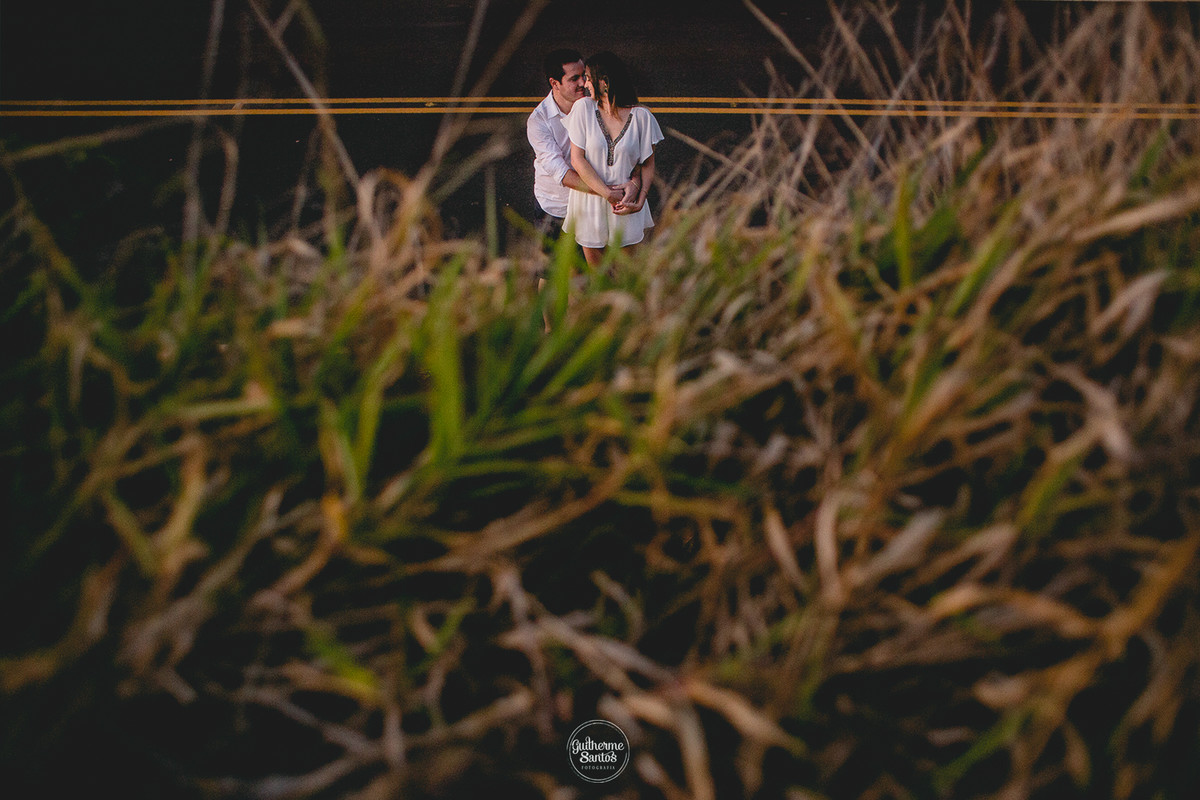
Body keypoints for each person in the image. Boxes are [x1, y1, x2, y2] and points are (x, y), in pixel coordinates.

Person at [563, 51, 663, 267]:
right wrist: (607, 193)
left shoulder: (642, 117)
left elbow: (647, 163)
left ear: (604, 82)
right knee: (598, 276)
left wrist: (640, 198)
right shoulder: (583, 109)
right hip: (590, 203)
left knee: (626, 275)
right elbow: (577, 159)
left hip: (626, 204)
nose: (584, 84)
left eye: (588, 78)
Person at [526, 49, 639, 226]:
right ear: (555, 83)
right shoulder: (539, 120)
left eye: (584, 76)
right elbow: (560, 171)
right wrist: (605, 191)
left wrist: (634, 183)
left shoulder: (597, 104)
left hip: (595, 207)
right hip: (557, 209)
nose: (583, 83)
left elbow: (626, 150)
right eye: (574, 79)